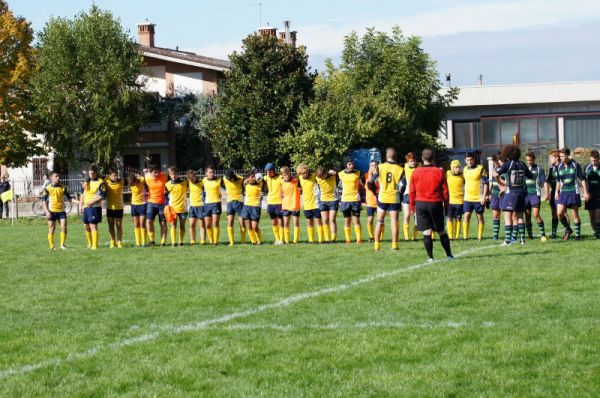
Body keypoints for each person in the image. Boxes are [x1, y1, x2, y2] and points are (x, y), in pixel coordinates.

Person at [409, 149, 453, 262]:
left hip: (421, 204)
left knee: (426, 231)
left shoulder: (416, 172)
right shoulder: (439, 172)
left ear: (422, 158)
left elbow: (412, 191)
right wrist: (447, 207)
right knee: (441, 230)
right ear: (433, 158)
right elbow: (445, 192)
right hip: (435, 203)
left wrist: (412, 207)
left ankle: (430, 257)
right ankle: (449, 255)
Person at [494, 144, 534, 246]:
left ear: (507, 154)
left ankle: (507, 241)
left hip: (511, 192)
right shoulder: (523, 164)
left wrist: (501, 183)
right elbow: (531, 176)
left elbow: (496, 175)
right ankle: (522, 240)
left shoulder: (508, 164)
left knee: (507, 215)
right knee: (520, 216)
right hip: (521, 193)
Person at [372, 148, 403, 251]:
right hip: (394, 197)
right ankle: (394, 245)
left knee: (380, 221)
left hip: (383, 197)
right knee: (394, 221)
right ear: (395, 156)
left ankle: (376, 245)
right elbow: (403, 185)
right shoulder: (399, 169)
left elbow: (372, 181)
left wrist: (375, 192)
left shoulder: (380, 167)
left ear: (386, 156)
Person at [556, 148, 588, 240]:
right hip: (563, 192)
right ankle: (568, 229)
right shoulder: (559, 166)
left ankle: (578, 236)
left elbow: (582, 179)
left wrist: (585, 192)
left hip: (574, 191)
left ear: (568, 155)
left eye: (563, 156)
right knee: (559, 213)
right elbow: (558, 180)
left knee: (575, 214)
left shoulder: (575, 165)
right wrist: (556, 191)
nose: (561, 158)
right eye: (560, 156)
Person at [42, 172, 74, 250]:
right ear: (52, 178)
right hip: (51, 211)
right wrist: (47, 211)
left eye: (58, 176)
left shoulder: (63, 187)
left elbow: (70, 198)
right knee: (52, 228)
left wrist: (79, 202)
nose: (58, 178)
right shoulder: (47, 188)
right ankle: (52, 247)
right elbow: (44, 201)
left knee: (64, 227)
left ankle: (62, 245)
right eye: (56, 176)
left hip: (61, 211)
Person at [462, 152, 489, 241]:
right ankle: (465, 237)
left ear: (474, 159)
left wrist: (484, 196)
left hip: (478, 198)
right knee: (466, 215)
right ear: (465, 161)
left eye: (471, 159)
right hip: (467, 198)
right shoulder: (465, 169)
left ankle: (479, 237)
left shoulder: (480, 168)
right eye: (468, 160)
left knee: (480, 216)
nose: (470, 161)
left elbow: (486, 183)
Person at [297, 164, 323, 243]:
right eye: (302, 173)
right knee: (309, 222)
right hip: (307, 205)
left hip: (316, 204)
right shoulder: (299, 178)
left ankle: (321, 240)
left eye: (306, 172)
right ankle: (311, 240)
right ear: (300, 174)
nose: (305, 174)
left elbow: (321, 173)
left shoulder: (314, 176)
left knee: (318, 222)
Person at [338, 157, 363, 244]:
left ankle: (359, 239)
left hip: (355, 199)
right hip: (345, 200)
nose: (351, 165)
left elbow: (363, 185)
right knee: (347, 220)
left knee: (356, 220)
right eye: (349, 164)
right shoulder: (340, 174)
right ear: (346, 165)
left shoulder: (358, 173)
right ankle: (348, 240)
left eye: (352, 164)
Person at [524, 151, 547, 241]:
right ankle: (530, 236)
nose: (529, 162)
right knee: (527, 216)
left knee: (536, 214)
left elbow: (544, 182)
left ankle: (543, 235)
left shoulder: (538, 169)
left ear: (534, 159)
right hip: (525, 195)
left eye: (530, 160)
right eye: (527, 160)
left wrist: (546, 193)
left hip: (535, 194)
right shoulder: (524, 169)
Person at [80, 165, 105, 249]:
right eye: (90, 173)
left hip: (95, 207)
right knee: (86, 226)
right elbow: (82, 194)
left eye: (93, 173)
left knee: (93, 225)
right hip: (86, 207)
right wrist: (81, 205)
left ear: (96, 172)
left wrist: (92, 202)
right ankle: (90, 243)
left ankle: (95, 245)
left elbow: (102, 196)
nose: (91, 175)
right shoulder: (86, 182)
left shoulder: (101, 182)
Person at [545, 150, 566, 238]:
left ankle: (567, 231)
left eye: (551, 158)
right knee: (554, 213)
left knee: (562, 213)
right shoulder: (551, 169)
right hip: (553, 192)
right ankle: (554, 233)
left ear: (557, 158)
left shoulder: (562, 167)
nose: (550, 159)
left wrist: (559, 190)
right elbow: (548, 181)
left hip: (561, 192)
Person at [165, 166, 188, 247]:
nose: (173, 176)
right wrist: (166, 206)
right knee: (173, 224)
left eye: (175, 174)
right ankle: (173, 242)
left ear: (178, 174)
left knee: (182, 225)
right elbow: (165, 196)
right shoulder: (167, 184)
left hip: (183, 208)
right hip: (173, 208)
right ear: (169, 175)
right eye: (172, 174)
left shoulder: (184, 182)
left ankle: (181, 241)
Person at [145, 164, 168, 246]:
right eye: (155, 173)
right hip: (151, 203)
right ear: (150, 172)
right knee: (149, 221)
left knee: (163, 223)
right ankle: (152, 240)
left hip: (162, 203)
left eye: (158, 172)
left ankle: (163, 241)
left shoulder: (164, 176)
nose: (157, 174)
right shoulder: (147, 177)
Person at [223, 169, 246, 246]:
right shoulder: (224, 178)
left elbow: (244, 188)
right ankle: (231, 242)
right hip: (230, 202)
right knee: (230, 222)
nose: (229, 180)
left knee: (242, 222)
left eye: (230, 178)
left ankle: (243, 241)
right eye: (228, 178)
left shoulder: (241, 179)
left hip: (239, 202)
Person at [263, 163, 284, 244]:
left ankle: (282, 239)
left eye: (270, 171)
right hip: (270, 203)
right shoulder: (266, 178)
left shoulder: (280, 177)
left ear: (274, 171)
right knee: (273, 222)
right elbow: (256, 178)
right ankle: (277, 239)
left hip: (279, 203)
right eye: (267, 171)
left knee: (280, 222)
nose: (268, 173)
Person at [316, 166, 338, 242]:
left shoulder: (332, 175)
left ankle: (333, 238)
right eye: (320, 177)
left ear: (326, 173)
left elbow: (334, 172)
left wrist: (331, 171)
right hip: (323, 201)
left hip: (333, 200)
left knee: (332, 219)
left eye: (323, 176)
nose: (322, 178)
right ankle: (327, 238)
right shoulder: (317, 178)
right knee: (325, 220)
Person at [104, 167, 125, 248]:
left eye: (117, 175)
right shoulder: (106, 182)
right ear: (109, 176)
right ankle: (112, 241)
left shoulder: (122, 182)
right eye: (114, 175)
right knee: (111, 225)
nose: (116, 177)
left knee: (119, 225)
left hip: (119, 207)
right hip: (110, 208)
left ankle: (119, 242)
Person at [241, 171, 264, 244]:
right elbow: (244, 182)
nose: (254, 178)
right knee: (248, 225)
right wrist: (246, 180)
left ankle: (259, 239)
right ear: (248, 178)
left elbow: (261, 179)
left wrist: (257, 178)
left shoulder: (260, 184)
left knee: (254, 226)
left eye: (254, 177)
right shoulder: (246, 184)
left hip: (256, 207)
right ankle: (253, 241)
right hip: (246, 206)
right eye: (252, 177)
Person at [280, 166, 301, 243]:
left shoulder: (295, 180)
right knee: (285, 223)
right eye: (285, 174)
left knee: (295, 223)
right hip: (285, 205)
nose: (287, 175)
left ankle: (295, 240)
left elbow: (300, 174)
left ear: (289, 173)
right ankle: (286, 240)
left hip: (295, 205)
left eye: (288, 173)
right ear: (282, 175)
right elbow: (281, 193)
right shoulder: (281, 182)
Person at [203, 166, 222, 245]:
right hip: (207, 204)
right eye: (210, 172)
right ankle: (211, 240)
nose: (212, 174)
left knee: (215, 223)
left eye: (213, 172)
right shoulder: (203, 180)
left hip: (216, 203)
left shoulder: (219, 180)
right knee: (207, 225)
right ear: (206, 173)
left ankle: (215, 241)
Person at [446, 160, 465, 240]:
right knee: (449, 218)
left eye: (458, 167)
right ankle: (450, 236)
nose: (457, 169)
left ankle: (457, 236)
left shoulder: (463, 176)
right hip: (450, 201)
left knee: (458, 218)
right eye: (455, 167)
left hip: (460, 201)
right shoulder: (447, 174)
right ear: (452, 168)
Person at [401, 152, 418, 241]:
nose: (412, 163)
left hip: (417, 195)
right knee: (407, 215)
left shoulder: (419, 168)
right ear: (407, 161)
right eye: (410, 161)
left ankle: (414, 237)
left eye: (413, 161)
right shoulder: (405, 166)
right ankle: (406, 237)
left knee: (416, 216)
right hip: (407, 194)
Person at [187, 170, 206, 245]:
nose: (191, 180)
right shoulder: (188, 183)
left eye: (192, 178)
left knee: (201, 224)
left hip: (200, 206)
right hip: (192, 206)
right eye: (190, 179)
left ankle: (202, 240)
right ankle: (192, 240)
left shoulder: (202, 183)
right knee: (192, 225)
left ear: (195, 176)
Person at [128, 173, 147, 247]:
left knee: (142, 223)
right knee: (136, 224)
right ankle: (138, 243)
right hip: (134, 205)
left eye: (133, 183)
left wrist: (139, 176)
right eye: (131, 184)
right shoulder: (130, 183)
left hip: (142, 204)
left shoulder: (141, 181)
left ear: (136, 181)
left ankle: (143, 243)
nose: (132, 185)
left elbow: (144, 177)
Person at [585, 150, 600, 238]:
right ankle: (595, 232)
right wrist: (586, 192)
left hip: (599, 196)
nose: (593, 162)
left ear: (599, 159)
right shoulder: (587, 168)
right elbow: (584, 181)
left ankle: (598, 233)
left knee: (598, 214)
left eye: (595, 160)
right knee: (591, 216)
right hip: (590, 196)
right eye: (592, 160)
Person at [364, 160, 380, 243]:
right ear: (369, 167)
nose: (374, 167)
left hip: (379, 202)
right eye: (372, 165)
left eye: (375, 165)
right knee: (370, 220)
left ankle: (380, 237)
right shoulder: (365, 176)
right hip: (370, 202)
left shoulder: (380, 176)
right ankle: (371, 237)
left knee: (380, 220)